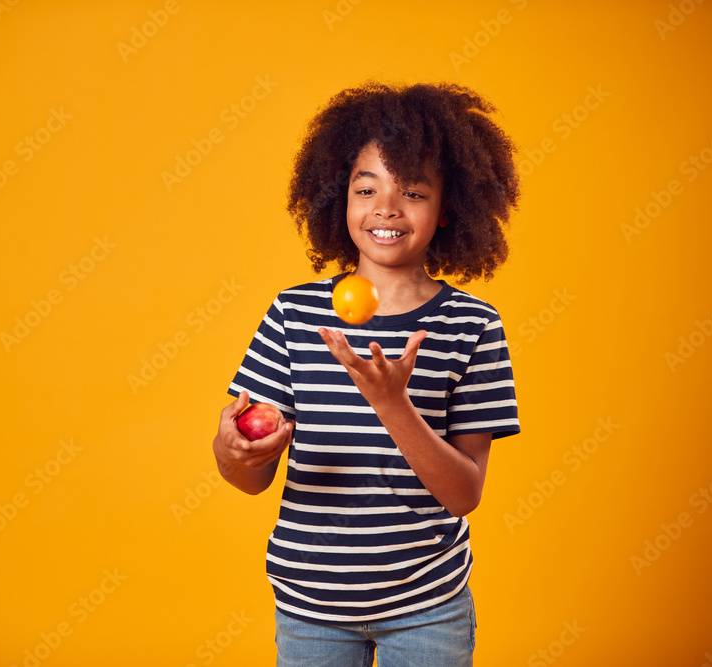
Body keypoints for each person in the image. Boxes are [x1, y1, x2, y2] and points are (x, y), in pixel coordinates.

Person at [212, 80, 521, 667]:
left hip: (429, 604)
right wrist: (235, 453)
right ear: (339, 198)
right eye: (366, 188)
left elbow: (463, 495)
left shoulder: (472, 325)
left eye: (412, 191)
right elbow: (249, 479)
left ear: (448, 207)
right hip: (309, 604)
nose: (386, 208)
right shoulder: (294, 314)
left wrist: (391, 403)